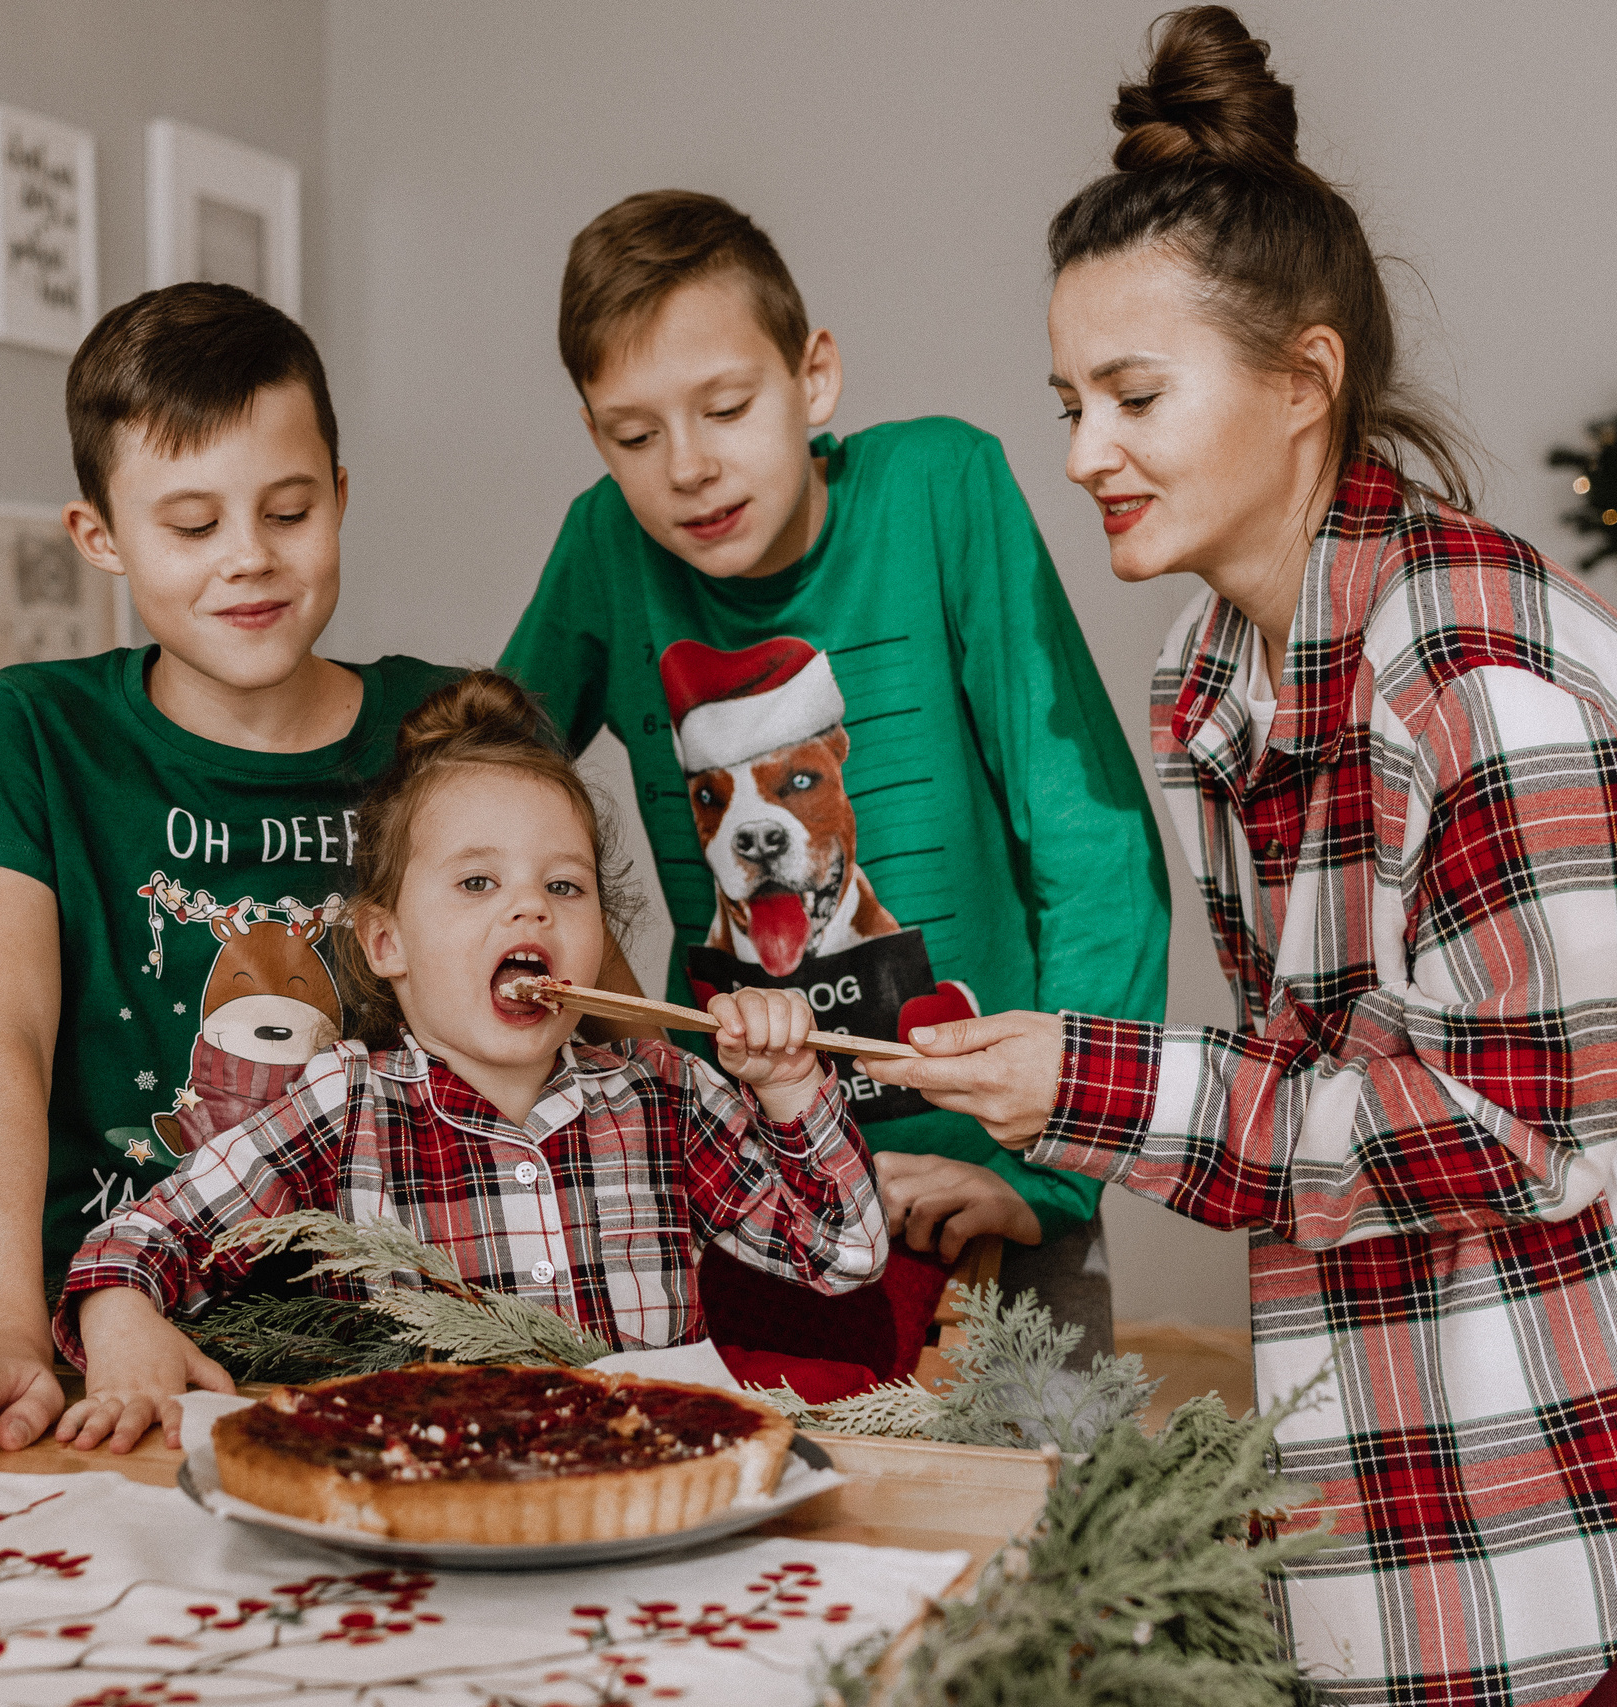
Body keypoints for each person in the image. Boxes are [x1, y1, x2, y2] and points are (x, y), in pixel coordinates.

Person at [866, 8, 1617, 1697]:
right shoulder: (1215, 677)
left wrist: (1098, 1086)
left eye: (1134, 394)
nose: (1083, 454)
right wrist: (1067, 1079)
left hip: (1550, 1538)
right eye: (1068, 399)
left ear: (1304, 383)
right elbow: (1307, 1092)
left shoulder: (1474, 680)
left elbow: (1502, 1132)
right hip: (1363, 1507)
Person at [496, 190, 1166, 1361]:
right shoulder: (604, 545)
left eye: (726, 408)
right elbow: (475, 788)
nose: (689, 469)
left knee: (1041, 1510)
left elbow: (1090, 834)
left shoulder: (942, 488)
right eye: (633, 435)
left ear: (813, 377)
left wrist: (1050, 1170)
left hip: (993, 1184)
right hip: (741, 1191)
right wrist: (609, 1017)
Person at [0, 284, 502, 1463]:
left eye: (289, 511)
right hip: (36, 1292)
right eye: (190, 528)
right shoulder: (35, 730)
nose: (248, 559)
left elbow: (578, 1028)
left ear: (340, 499)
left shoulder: (448, 728)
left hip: (354, 1324)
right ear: (99, 538)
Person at [48, 671, 885, 1454]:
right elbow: (145, 1236)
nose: (529, 904)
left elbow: (844, 1253)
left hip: (644, 1491)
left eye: (565, 887)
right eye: (478, 882)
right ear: (387, 941)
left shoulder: (665, 1095)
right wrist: (121, 1321)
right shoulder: (345, 1104)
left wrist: (788, 1084)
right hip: (420, 1504)